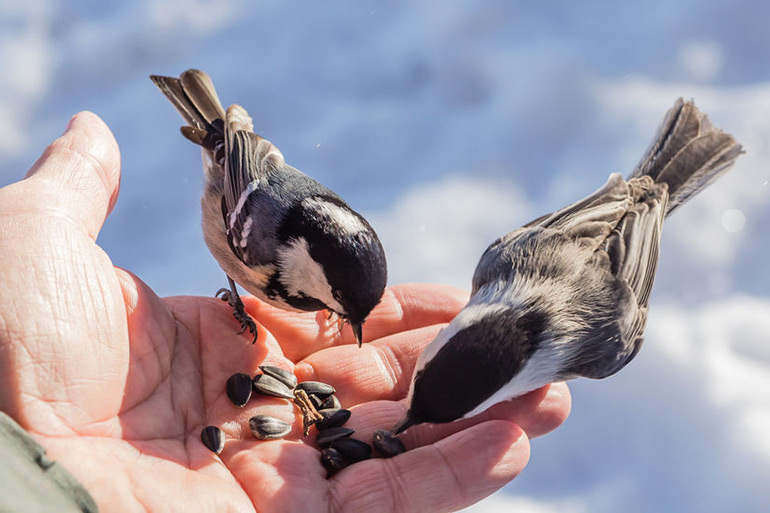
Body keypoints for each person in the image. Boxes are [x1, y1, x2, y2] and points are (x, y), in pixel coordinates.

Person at [0, 112, 571, 512]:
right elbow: (244, 181)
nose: (347, 322)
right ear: (311, 264)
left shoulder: (324, 253)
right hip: (238, 177)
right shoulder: (266, 248)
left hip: (266, 170)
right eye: (343, 307)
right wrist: (236, 291)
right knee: (240, 278)